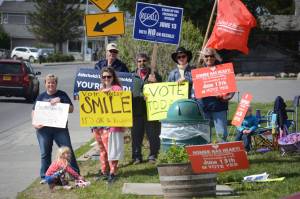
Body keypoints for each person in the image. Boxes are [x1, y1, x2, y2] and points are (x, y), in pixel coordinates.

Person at [32, 74, 80, 184]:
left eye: (53, 82)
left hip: (60, 129)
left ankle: (74, 173)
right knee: (45, 153)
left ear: (56, 84)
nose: (50, 84)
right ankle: (46, 176)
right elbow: (34, 110)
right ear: (45, 84)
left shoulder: (62, 95)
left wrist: (61, 101)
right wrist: (34, 123)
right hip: (43, 130)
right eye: (48, 82)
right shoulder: (41, 96)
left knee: (67, 150)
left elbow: (72, 109)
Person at [93, 67, 125, 184]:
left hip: (111, 126)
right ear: (101, 78)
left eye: (109, 76)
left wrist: (110, 92)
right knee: (102, 150)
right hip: (99, 126)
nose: (106, 79)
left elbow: (122, 98)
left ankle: (113, 172)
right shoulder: (99, 89)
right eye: (104, 77)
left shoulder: (117, 88)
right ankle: (104, 170)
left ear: (113, 77)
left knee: (111, 150)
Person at [131, 53, 162, 164]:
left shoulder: (155, 75)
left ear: (148, 62)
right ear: (136, 63)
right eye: (139, 61)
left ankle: (153, 155)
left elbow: (163, 91)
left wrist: (156, 82)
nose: (141, 63)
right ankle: (136, 157)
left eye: (144, 61)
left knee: (153, 135)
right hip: (136, 111)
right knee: (136, 136)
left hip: (151, 111)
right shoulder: (131, 76)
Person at [199, 48, 234, 142]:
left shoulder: (223, 70)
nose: (209, 58)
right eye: (206, 56)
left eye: (211, 56)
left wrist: (228, 96)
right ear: (203, 57)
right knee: (205, 136)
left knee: (222, 134)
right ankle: (208, 155)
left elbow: (231, 89)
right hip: (204, 108)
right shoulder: (198, 72)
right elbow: (194, 92)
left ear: (215, 57)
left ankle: (223, 154)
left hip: (219, 107)